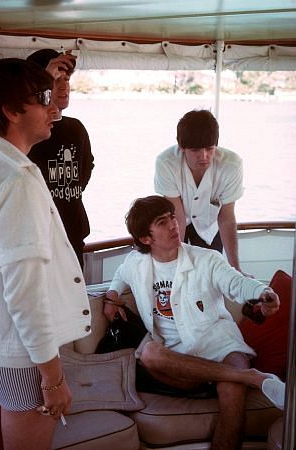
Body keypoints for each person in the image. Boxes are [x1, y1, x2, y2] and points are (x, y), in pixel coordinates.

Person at [104, 195, 285, 450]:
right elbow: (120, 274)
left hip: (219, 343)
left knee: (232, 390)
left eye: (172, 217)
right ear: (146, 238)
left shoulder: (207, 259)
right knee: (150, 354)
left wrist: (262, 292)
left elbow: (236, 282)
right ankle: (252, 377)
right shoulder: (137, 263)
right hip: (177, 359)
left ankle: (238, 378)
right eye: (162, 222)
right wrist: (111, 297)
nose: (174, 224)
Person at [0, 58, 92, 450]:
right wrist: (53, 378)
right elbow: (25, 291)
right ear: (11, 110)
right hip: (21, 354)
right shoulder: (18, 179)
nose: (55, 109)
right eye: (43, 97)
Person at [27, 48, 94, 270]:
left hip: (73, 234)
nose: (64, 86)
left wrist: (66, 192)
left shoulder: (75, 128)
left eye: (66, 79)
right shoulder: (27, 132)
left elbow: (86, 168)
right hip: (39, 242)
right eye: (56, 79)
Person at [154, 109, 244, 272]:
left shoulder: (232, 165)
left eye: (210, 149)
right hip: (176, 221)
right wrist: (176, 266)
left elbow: (227, 218)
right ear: (181, 146)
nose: (203, 156)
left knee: (209, 272)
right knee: (177, 271)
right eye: (195, 150)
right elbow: (178, 218)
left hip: (210, 224)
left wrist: (236, 268)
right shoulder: (166, 162)